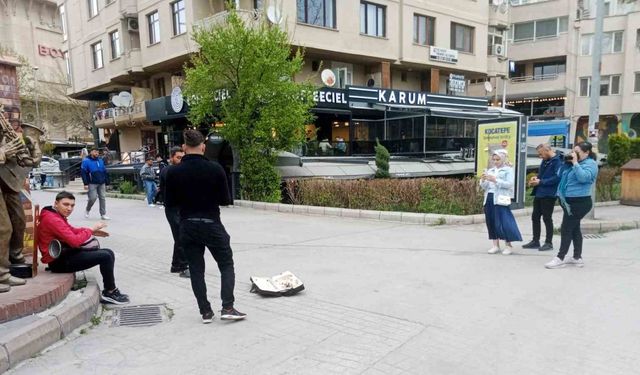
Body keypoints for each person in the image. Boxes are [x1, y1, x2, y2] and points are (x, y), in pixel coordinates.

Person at [165, 130, 246, 324]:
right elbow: (225, 200)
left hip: (188, 225)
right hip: (211, 223)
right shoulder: (215, 169)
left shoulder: (173, 172)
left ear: (184, 148)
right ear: (203, 146)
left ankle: (205, 312)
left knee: (195, 269)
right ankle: (227, 306)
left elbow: (170, 203)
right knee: (226, 264)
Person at [37, 191, 129, 304]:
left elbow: (71, 230)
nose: (69, 208)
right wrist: (90, 230)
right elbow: (74, 241)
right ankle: (110, 292)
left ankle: (111, 290)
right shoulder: (53, 219)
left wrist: (92, 232)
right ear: (56, 203)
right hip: (58, 262)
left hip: (64, 255)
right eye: (66, 204)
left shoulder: (54, 214)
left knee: (108, 252)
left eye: (72, 205)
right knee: (106, 256)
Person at [544, 142, 599, 269]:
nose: (574, 153)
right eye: (573, 151)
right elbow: (559, 174)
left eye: (577, 151)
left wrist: (575, 163)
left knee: (566, 228)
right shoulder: (574, 163)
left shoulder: (591, 164)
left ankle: (560, 258)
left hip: (580, 202)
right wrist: (566, 162)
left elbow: (584, 178)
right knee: (574, 229)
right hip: (568, 202)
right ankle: (577, 258)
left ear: (587, 152)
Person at [480, 149, 522, 255]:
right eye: (493, 159)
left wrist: (495, 180)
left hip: (501, 198)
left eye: (497, 159)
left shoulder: (508, 170)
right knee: (491, 221)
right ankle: (495, 245)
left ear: (503, 159)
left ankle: (508, 245)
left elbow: (509, 184)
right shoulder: (490, 170)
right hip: (489, 197)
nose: (495, 161)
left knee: (504, 222)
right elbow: (484, 187)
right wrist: (483, 180)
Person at [523, 144, 562, 251]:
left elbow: (557, 178)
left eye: (541, 154)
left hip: (549, 194)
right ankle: (535, 241)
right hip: (539, 192)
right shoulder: (545, 160)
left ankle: (548, 243)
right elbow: (542, 174)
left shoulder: (557, 161)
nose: (540, 156)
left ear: (547, 150)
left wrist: (541, 181)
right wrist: (536, 178)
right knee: (535, 217)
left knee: (547, 218)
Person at [159, 147, 189, 278]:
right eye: (178, 157)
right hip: (172, 208)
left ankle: (176, 265)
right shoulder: (168, 171)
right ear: (171, 157)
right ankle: (183, 266)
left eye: (182, 158)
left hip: (179, 207)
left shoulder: (178, 170)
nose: (181, 160)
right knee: (181, 237)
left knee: (179, 237)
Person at [81, 148, 110, 220]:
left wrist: (107, 181)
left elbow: (104, 171)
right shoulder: (86, 161)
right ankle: (87, 209)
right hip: (92, 183)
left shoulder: (100, 160)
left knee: (102, 198)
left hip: (101, 182)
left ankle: (103, 214)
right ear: (91, 152)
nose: (96, 153)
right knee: (92, 198)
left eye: (97, 152)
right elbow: (83, 173)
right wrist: (85, 183)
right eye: (95, 152)